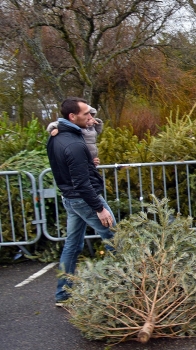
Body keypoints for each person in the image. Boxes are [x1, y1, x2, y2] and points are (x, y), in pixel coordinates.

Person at [46, 97, 115, 306]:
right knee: (116, 241)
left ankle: (63, 294)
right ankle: (119, 289)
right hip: (85, 200)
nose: (90, 116)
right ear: (72, 117)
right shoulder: (74, 144)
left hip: (70, 199)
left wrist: (88, 161)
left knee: (72, 245)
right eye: (86, 113)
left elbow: (64, 167)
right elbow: (82, 183)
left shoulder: (55, 137)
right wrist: (99, 208)